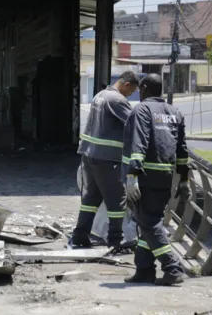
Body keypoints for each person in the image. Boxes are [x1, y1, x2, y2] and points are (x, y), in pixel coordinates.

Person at [122, 73, 190, 286]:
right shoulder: (174, 112)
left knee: (149, 223)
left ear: (143, 88)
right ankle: (144, 270)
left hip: (145, 177)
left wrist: (132, 175)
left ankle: (172, 268)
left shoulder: (142, 110)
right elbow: (182, 150)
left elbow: (139, 142)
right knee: (148, 222)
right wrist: (184, 180)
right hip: (165, 177)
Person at [71, 71, 140, 249]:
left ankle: (80, 235)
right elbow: (135, 124)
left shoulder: (100, 96)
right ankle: (115, 241)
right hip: (107, 159)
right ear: (126, 84)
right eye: (131, 91)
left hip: (89, 155)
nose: (130, 95)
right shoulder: (117, 100)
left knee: (92, 197)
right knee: (118, 199)